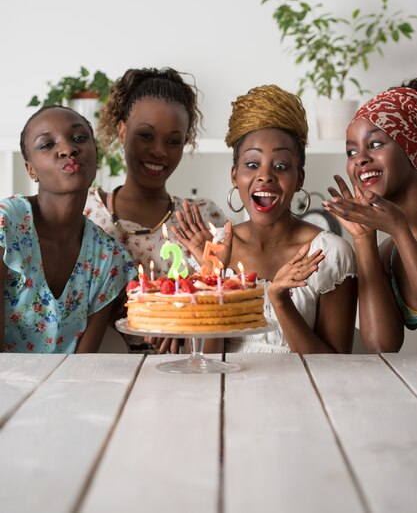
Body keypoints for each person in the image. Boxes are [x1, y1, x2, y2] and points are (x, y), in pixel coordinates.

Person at [173, 85, 357, 353]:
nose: (265, 175)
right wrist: (213, 280)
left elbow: (334, 368)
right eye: (252, 165)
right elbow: (203, 361)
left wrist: (280, 300)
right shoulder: (210, 250)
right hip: (224, 394)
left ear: (299, 178)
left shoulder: (330, 254)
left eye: (281, 166)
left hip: (303, 394)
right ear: (235, 175)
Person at [84, 67, 226, 353]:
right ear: (122, 130)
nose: (159, 151)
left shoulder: (204, 218)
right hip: (100, 377)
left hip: (184, 377)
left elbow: (225, 302)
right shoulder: (86, 211)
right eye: (146, 135)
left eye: (173, 141)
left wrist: (185, 320)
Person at [0, 106, 137, 353]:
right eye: (46, 145)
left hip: (66, 388)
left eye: (79, 138)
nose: (67, 149)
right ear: (31, 169)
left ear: (95, 154)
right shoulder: (6, 224)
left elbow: (82, 365)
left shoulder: (107, 258)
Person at [323, 80, 417, 353]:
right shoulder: (388, 253)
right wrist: (363, 239)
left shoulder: (398, 236)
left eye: (375, 143)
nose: (359, 159)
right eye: (351, 151)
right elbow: (381, 346)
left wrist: (400, 229)